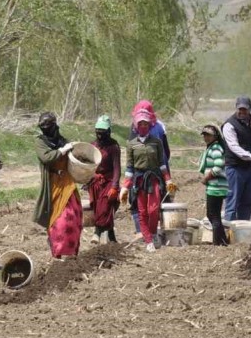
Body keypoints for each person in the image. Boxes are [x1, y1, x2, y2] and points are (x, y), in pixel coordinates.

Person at [121, 108, 173, 252]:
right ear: (136, 126)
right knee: (142, 211)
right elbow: (130, 167)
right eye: (140, 124)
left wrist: (168, 180)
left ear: (150, 125)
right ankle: (148, 240)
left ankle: (154, 232)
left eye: (146, 124)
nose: (143, 126)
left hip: (154, 179)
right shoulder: (131, 144)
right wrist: (125, 187)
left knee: (153, 209)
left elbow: (162, 162)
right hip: (139, 181)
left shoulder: (156, 142)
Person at [32, 112, 82, 260]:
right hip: (53, 184)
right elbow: (46, 158)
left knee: (74, 217)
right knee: (59, 221)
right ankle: (58, 250)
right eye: (43, 127)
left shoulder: (63, 140)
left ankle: (71, 253)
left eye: (48, 126)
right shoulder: (40, 142)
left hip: (67, 183)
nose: (46, 129)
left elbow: (73, 159)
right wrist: (62, 150)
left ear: (55, 125)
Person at [220, 96, 251, 221]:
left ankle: (244, 229)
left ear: (250, 110)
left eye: (245, 110)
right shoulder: (229, 125)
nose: (242, 112)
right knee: (232, 201)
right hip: (235, 168)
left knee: (247, 202)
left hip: (249, 168)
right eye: (240, 109)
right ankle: (229, 234)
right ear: (236, 108)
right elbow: (234, 148)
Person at [86, 115, 121, 244]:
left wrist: (114, 186)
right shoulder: (92, 145)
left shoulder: (113, 146)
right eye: (98, 131)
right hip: (96, 181)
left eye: (103, 131)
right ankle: (112, 238)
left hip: (109, 180)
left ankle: (97, 232)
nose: (100, 134)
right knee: (97, 208)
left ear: (108, 131)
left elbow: (117, 168)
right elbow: (88, 164)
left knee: (105, 207)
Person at [197, 124, 229, 246]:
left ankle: (217, 242)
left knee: (213, 215)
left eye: (208, 135)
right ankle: (222, 240)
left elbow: (219, 164)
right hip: (216, 185)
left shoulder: (215, 148)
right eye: (204, 135)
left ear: (215, 136)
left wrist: (207, 177)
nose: (206, 137)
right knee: (213, 215)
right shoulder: (212, 147)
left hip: (216, 185)